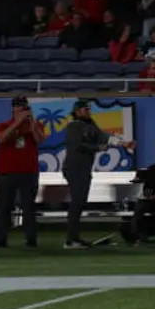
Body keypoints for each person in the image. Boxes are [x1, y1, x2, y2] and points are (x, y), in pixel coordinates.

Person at [59, 102, 125, 249]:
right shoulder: (73, 126)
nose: (88, 111)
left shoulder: (90, 124)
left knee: (79, 203)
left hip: (84, 169)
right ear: (77, 111)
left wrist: (122, 143)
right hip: (75, 168)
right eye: (85, 109)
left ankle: (74, 238)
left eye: (89, 109)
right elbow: (79, 145)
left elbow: (102, 137)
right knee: (77, 203)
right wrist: (98, 148)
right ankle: (71, 240)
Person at [0, 96, 42, 248]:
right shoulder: (3, 125)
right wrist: (17, 123)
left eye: (24, 107)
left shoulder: (34, 125)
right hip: (7, 172)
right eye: (19, 107)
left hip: (28, 172)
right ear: (13, 108)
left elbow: (39, 139)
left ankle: (31, 239)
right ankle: (0, 239)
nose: (22, 110)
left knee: (29, 207)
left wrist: (31, 123)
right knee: (4, 207)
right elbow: (2, 139)